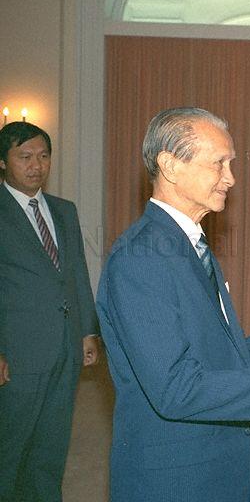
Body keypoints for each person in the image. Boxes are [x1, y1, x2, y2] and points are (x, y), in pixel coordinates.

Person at [97, 107, 250, 502]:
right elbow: (175, 389)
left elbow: (226, 350)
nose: (230, 178)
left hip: (218, 461)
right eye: (219, 163)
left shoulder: (188, 243)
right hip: (176, 477)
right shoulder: (141, 258)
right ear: (170, 165)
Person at [0, 121, 100, 502]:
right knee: (10, 447)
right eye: (24, 157)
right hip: (17, 352)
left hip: (64, 348)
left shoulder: (63, 210)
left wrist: (87, 331)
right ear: (3, 162)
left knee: (51, 446)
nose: (36, 165)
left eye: (43, 156)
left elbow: (76, 273)